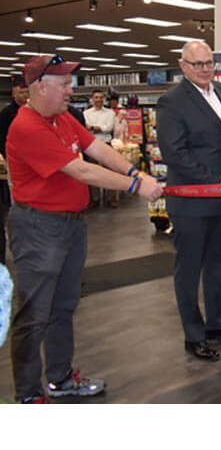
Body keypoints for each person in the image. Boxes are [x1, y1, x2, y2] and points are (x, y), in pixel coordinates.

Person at [6, 55, 163, 403]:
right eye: (62, 84)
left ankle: (60, 379)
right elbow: (83, 171)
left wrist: (135, 173)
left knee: (63, 307)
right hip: (38, 228)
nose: (70, 90)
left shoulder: (63, 118)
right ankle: (28, 396)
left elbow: (98, 149)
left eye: (69, 83)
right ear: (39, 88)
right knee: (33, 315)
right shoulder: (26, 126)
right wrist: (136, 187)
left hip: (72, 226)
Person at [156, 41, 221, 362]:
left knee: (220, 264)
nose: (204, 68)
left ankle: (217, 322)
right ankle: (193, 335)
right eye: (197, 63)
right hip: (192, 201)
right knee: (189, 270)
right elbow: (175, 153)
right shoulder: (171, 101)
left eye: (209, 62)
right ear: (183, 66)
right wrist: (214, 180)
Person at [0, 77, 29, 265]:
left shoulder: (34, 113)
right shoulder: (6, 115)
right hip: (12, 162)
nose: (24, 95)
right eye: (21, 92)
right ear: (13, 93)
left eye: (27, 92)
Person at [83, 89, 118, 207]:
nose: (98, 100)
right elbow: (85, 128)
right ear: (92, 99)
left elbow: (108, 128)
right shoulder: (86, 113)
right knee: (92, 173)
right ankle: (95, 198)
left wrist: (92, 128)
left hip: (106, 144)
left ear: (104, 99)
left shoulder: (110, 113)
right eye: (96, 97)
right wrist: (98, 128)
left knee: (110, 172)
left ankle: (111, 198)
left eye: (100, 97)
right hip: (91, 146)